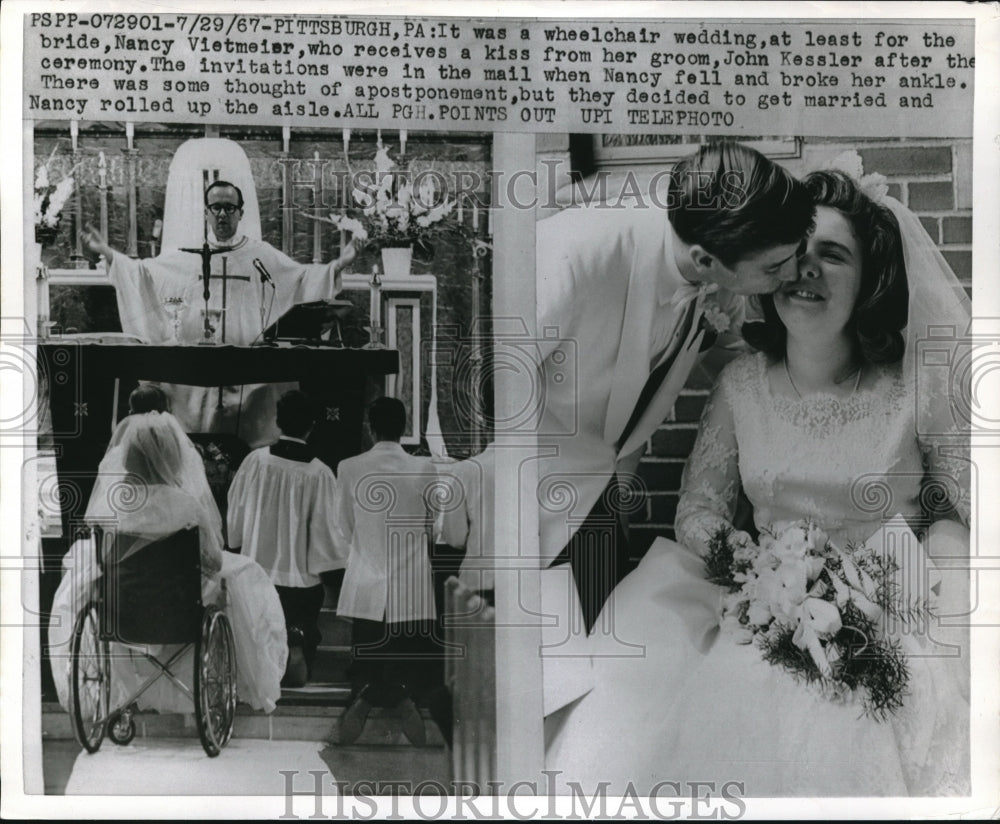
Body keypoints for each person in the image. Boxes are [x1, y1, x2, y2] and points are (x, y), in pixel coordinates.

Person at [544, 165, 971, 796]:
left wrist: (914, 577)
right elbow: (698, 508)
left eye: (834, 256)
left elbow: (957, 508)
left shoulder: (915, 387)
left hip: (890, 603)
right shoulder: (741, 384)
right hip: (757, 598)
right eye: (796, 256)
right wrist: (751, 565)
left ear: (871, 278)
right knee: (642, 710)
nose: (807, 272)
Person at [534, 141, 815, 717]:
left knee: (580, 694)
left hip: (608, 499)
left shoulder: (719, 272)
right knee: (519, 691)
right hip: (530, 495)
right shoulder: (573, 251)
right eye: (773, 268)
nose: (790, 276)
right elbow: (492, 385)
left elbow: (738, 364)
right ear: (705, 260)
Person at [81, 180, 357, 446]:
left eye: (229, 207)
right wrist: (106, 251)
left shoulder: (262, 255)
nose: (222, 214)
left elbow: (301, 279)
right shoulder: (188, 256)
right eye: (216, 207)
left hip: (251, 380)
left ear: (241, 213)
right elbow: (142, 274)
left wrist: (339, 264)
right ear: (206, 213)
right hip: (198, 384)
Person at [49, 410, 289, 715]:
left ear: (127, 458)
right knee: (242, 579)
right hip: (178, 612)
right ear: (174, 458)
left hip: (123, 613)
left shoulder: (112, 506)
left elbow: (104, 559)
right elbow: (212, 563)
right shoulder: (186, 506)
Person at [335, 397, 439, 747]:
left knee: (368, 651)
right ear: (404, 427)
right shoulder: (424, 468)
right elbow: (432, 526)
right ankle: (402, 696)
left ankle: (365, 697)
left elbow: (342, 526)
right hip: (410, 583)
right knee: (404, 655)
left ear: (370, 426)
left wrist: (367, 546)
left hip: (367, 578)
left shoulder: (349, 467)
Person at [227, 389, 347, 687]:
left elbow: (236, 512)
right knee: (303, 614)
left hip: (257, 572)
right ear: (312, 426)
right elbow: (325, 531)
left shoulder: (255, 461)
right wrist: (328, 568)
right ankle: (296, 648)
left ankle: (262, 668)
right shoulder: (319, 472)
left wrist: (237, 542)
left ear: (278, 423)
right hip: (299, 581)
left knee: (257, 629)